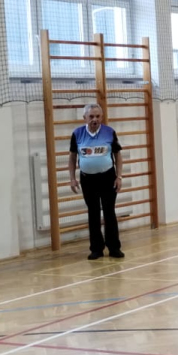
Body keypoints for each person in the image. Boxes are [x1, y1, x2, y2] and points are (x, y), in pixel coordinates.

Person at [68, 103, 124, 260]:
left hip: (108, 178)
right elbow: (72, 157)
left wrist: (119, 177)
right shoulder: (77, 134)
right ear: (84, 118)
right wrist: (72, 178)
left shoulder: (109, 132)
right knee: (93, 213)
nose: (95, 119)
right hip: (87, 179)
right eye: (91, 116)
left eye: (98, 116)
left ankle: (114, 248)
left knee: (109, 212)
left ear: (102, 117)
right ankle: (96, 249)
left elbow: (117, 155)